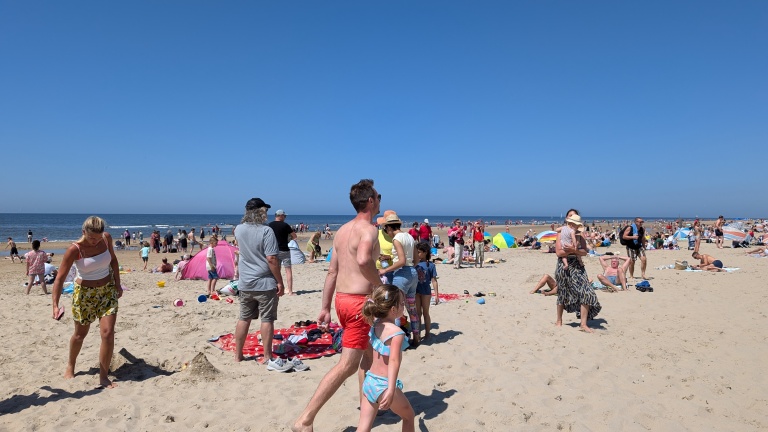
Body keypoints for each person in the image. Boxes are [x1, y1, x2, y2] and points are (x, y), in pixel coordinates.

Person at [292, 179, 382, 432]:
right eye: (378, 195)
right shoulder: (369, 230)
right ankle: (305, 420)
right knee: (347, 365)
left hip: (342, 300)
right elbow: (364, 261)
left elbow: (332, 272)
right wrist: (381, 285)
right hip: (358, 304)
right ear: (371, 201)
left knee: (368, 357)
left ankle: (367, 407)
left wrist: (325, 307)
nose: (380, 198)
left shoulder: (342, 231)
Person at [51, 216, 122, 389]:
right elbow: (59, 279)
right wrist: (55, 304)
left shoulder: (106, 238)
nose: (94, 242)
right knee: (79, 335)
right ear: (84, 232)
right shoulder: (74, 250)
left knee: (107, 333)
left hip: (107, 291)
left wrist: (118, 284)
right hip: (84, 295)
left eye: (97, 238)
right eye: (91, 238)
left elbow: (113, 260)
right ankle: (71, 365)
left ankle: (103, 377)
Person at [233, 198, 291, 372]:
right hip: (264, 282)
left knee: (244, 317)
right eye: (264, 210)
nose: (266, 213)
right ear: (259, 212)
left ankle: (238, 355)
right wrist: (280, 281)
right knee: (267, 319)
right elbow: (272, 258)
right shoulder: (266, 231)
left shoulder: (239, 229)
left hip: (246, 282)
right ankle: (267, 356)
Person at [357, 284, 415, 432]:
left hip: (369, 381)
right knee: (409, 416)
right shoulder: (397, 333)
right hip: (384, 385)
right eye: (402, 304)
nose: (404, 306)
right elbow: (394, 361)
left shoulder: (375, 324)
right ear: (393, 309)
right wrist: (390, 389)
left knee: (363, 428)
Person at [555, 209, 601, 333]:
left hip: (578, 265)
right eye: (570, 216)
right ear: (566, 219)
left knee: (586, 290)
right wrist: (573, 250)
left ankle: (583, 324)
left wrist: (574, 250)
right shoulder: (561, 233)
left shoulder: (580, 235)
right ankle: (559, 320)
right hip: (564, 265)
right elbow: (559, 252)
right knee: (562, 293)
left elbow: (584, 252)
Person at [379, 212, 420, 346]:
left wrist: (385, 270)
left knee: (394, 309)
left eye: (386, 230)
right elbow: (416, 259)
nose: (387, 233)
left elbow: (401, 261)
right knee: (412, 308)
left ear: (389, 228)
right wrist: (410, 268)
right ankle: (417, 337)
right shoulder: (409, 236)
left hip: (402, 274)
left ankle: (396, 342)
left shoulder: (396, 239)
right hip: (413, 273)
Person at [268, 209, 298, 296]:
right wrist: (288, 239)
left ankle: (277, 289)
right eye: (284, 216)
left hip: (274, 250)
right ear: (280, 216)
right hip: (285, 249)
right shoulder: (285, 225)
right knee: (288, 270)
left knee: (277, 270)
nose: (285, 217)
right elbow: (294, 236)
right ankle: (290, 291)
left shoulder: (270, 225)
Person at [415, 242, 439, 340]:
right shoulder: (414, 264)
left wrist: (437, 295)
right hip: (416, 291)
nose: (417, 254)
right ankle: (418, 334)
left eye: (419, 252)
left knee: (425, 312)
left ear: (425, 253)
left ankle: (428, 333)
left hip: (426, 291)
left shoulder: (431, 265)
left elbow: (434, 281)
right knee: (417, 313)